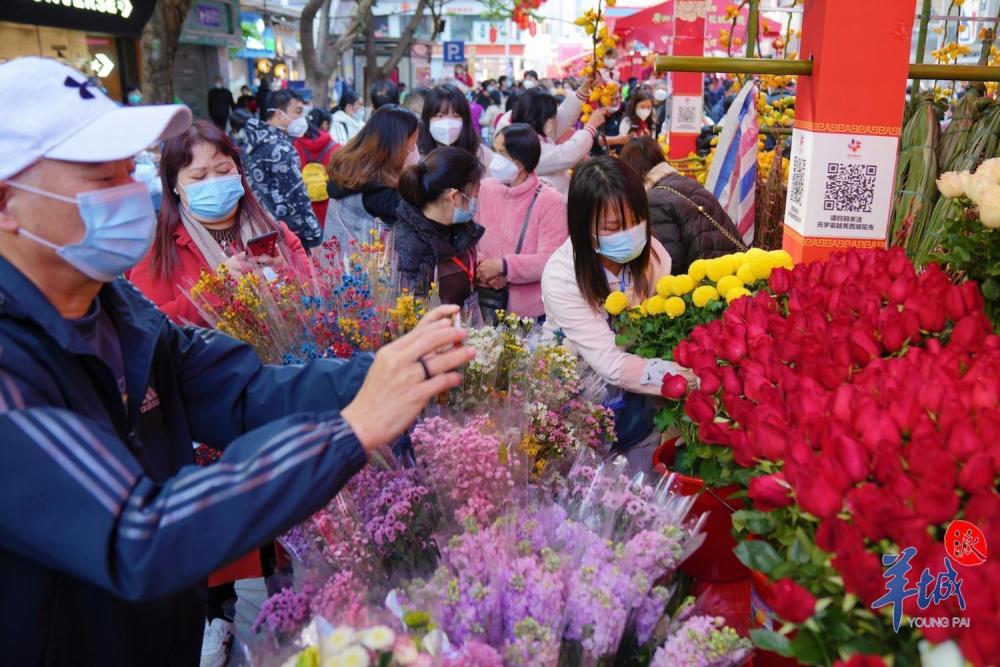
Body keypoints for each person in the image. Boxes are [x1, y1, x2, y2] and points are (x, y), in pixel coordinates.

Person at [0, 56, 475, 666]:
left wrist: (399, 368)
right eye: (100, 178)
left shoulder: (116, 310)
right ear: (10, 203)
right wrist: (349, 432)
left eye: (127, 171)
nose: (128, 193)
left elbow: (243, 392)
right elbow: (137, 534)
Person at [541, 157, 695, 470]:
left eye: (636, 220)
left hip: (640, 403)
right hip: (581, 406)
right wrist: (681, 377)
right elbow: (611, 364)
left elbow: (659, 324)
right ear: (585, 226)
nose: (629, 233)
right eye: (613, 227)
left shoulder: (651, 255)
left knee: (643, 484)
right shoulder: (562, 276)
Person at [130, 119, 313, 324]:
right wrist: (216, 289)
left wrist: (286, 276)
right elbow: (149, 325)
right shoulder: (157, 249)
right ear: (174, 184)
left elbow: (317, 299)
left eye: (224, 171)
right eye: (199, 176)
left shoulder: (276, 233)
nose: (213, 181)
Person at [475, 124, 567, 321]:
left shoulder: (549, 200)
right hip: (485, 299)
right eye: (495, 150)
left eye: (501, 153)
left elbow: (550, 259)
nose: (495, 159)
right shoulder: (484, 189)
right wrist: (485, 268)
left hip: (529, 313)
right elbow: (468, 238)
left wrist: (505, 267)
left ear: (520, 163)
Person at [619, 136, 743, 274]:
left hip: (708, 278)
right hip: (732, 267)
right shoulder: (687, 183)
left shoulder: (653, 201)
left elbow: (671, 263)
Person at [395, 147, 485, 306]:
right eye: (474, 192)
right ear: (454, 196)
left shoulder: (460, 229)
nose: (477, 198)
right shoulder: (410, 246)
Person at [325, 104, 419, 250]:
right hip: (370, 270)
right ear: (395, 148)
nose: (414, 150)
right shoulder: (382, 194)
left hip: (335, 266)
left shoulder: (350, 171)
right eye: (410, 146)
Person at [241, 89, 322, 249]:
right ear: (278, 113)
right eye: (297, 112)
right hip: (291, 235)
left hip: (261, 231)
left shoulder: (251, 143)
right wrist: (314, 236)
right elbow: (297, 198)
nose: (301, 119)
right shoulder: (281, 149)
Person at [510, 85, 606, 194]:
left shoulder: (534, 131)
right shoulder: (526, 146)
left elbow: (564, 115)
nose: (553, 121)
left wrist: (582, 92)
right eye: (550, 117)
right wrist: (590, 127)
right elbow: (565, 155)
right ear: (538, 117)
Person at [417, 84, 494, 169]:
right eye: (440, 116)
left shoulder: (481, 155)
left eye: (456, 116)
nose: (448, 123)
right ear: (427, 118)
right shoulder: (417, 155)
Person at [294, 108, 339, 225]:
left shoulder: (293, 146)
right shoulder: (336, 149)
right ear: (325, 124)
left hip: (303, 212)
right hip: (330, 212)